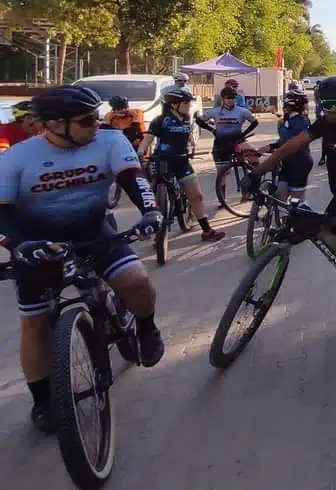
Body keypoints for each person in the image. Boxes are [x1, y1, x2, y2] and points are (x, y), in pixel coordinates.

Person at [0, 85, 166, 432]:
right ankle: (42, 399)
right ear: (56, 125)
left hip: (93, 230)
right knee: (34, 324)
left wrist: (151, 212)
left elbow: (134, 180)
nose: (98, 125)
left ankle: (147, 329)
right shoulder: (17, 158)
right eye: (87, 120)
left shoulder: (109, 141)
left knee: (137, 281)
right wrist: (17, 246)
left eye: (97, 116)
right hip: (36, 241)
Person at [249, 75, 336, 359]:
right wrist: (259, 171)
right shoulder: (325, 122)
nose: (332, 110)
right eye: (326, 105)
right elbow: (292, 145)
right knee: (325, 236)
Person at [139, 88, 226, 241]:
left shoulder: (186, 119)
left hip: (182, 161)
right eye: (186, 103)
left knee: (197, 196)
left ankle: (207, 230)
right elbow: (148, 139)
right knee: (150, 193)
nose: (189, 106)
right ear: (174, 105)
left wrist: (193, 146)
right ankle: (148, 225)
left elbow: (188, 136)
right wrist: (140, 153)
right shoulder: (160, 120)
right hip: (162, 160)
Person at [197, 87, 259, 205]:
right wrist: (212, 130)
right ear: (223, 99)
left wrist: (244, 133)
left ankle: (250, 190)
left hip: (238, 141)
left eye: (232, 98)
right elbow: (199, 120)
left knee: (254, 159)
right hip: (221, 143)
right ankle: (222, 199)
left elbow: (255, 122)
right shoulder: (215, 111)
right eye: (227, 98)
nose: (230, 100)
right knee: (222, 174)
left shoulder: (242, 111)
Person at [258, 90, 313, 201]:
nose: (284, 106)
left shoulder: (300, 122)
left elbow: (291, 143)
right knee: (280, 194)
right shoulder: (289, 119)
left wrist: (274, 149)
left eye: (286, 103)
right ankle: (283, 216)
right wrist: (270, 146)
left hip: (299, 164)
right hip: (287, 162)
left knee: (296, 201)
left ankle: (297, 217)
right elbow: (283, 140)